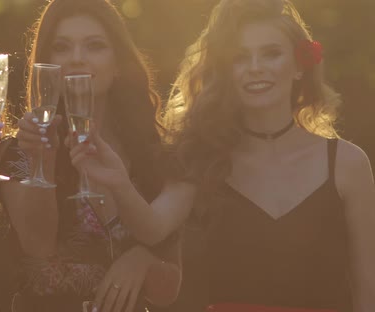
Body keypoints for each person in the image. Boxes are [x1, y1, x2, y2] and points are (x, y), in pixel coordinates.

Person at [69, 0, 375, 311]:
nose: (255, 66)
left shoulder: (349, 165)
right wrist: (119, 182)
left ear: (298, 66)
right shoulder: (202, 157)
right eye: (241, 57)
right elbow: (151, 229)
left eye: (271, 53)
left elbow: (368, 291)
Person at [0, 0, 182, 311]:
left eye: (94, 46)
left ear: (118, 63)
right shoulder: (17, 152)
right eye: (61, 48)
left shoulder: (152, 156)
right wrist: (44, 158)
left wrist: (143, 260)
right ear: (47, 64)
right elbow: (38, 247)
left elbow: (169, 290)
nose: (77, 59)